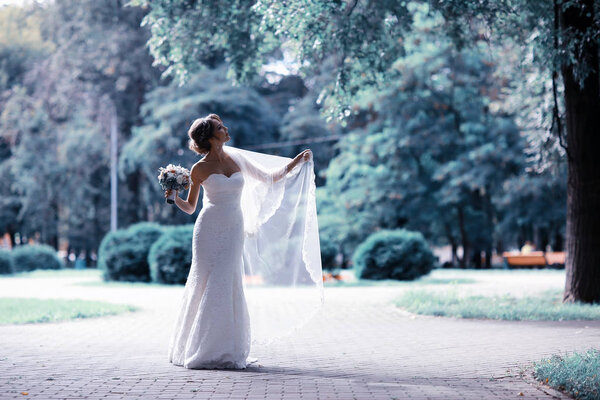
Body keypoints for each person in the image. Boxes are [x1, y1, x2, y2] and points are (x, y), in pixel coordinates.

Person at [165, 114, 317, 370]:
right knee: (204, 280)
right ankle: (198, 347)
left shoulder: (237, 159)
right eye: (220, 128)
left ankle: (226, 348)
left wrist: (295, 162)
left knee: (227, 280)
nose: (226, 129)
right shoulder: (198, 169)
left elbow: (270, 177)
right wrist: (173, 198)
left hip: (234, 226)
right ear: (211, 138)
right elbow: (191, 208)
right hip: (208, 227)